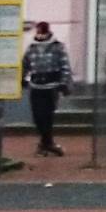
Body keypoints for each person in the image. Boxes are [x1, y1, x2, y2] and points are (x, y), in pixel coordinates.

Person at [22, 22, 71, 157]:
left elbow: (65, 66)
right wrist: (22, 79)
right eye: (38, 32)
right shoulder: (31, 48)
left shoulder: (57, 47)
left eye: (42, 32)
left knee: (47, 116)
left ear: (47, 32)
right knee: (37, 116)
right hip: (36, 86)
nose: (40, 35)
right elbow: (25, 64)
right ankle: (47, 143)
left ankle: (46, 143)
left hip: (52, 86)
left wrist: (64, 83)